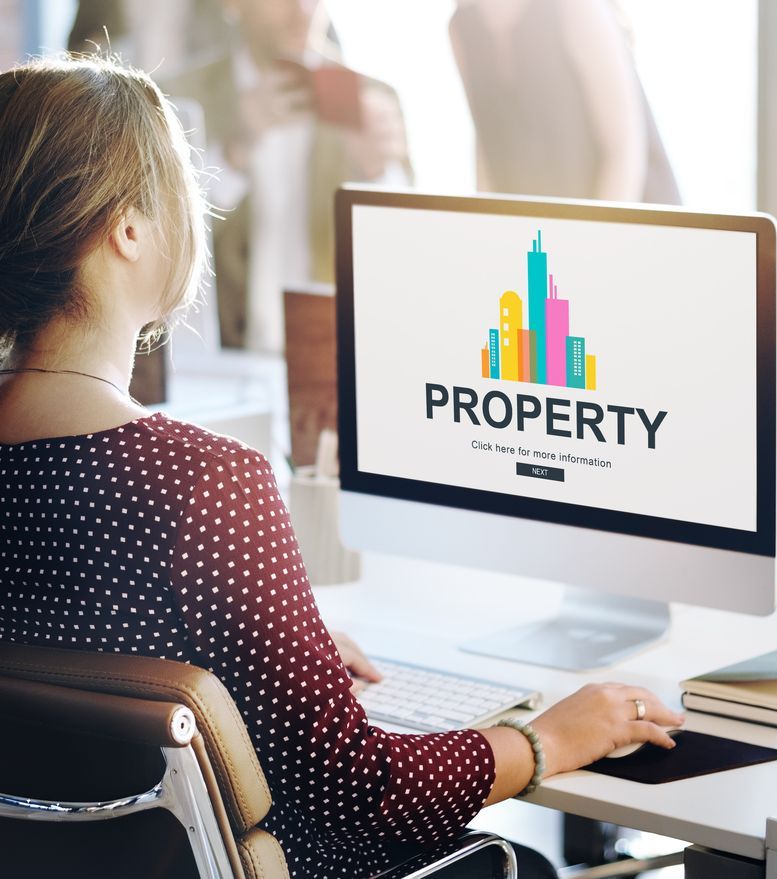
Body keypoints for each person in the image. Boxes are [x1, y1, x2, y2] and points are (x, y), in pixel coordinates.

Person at [0, 56, 683, 879]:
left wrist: (268, 641)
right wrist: (547, 740)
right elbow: (359, 792)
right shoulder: (203, 486)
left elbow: (69, 643)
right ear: (129, 228)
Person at [164, 0, 411, 352]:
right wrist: (233, 153)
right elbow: (160, 248)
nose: (303, 10)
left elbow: (401, 260)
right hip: (216, 360)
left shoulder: (374, 99)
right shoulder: (177, 97)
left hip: (331, 355)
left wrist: (374, 172)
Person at [450, 0, 680, 204]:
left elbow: (624, 150)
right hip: (546, 230)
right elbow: (489, 144)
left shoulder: (575, 6)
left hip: (632, 214)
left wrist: (592, 242)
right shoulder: (461, 28)